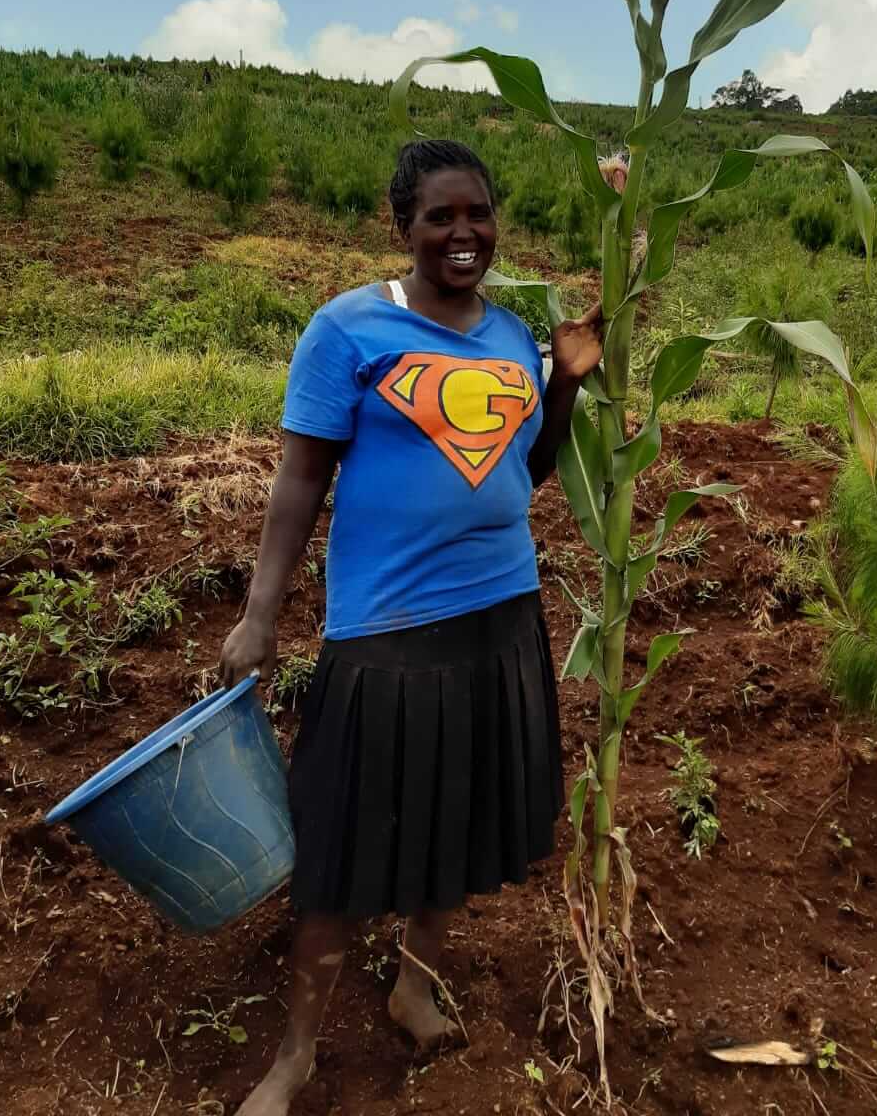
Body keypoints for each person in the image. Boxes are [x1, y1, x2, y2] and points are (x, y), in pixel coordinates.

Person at [219, 138, 603, 1116]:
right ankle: (297, 1053)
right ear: (405, 227)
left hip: (502, 615)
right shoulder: (350, 328)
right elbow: (300, 479)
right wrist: (260, 616)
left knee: (465, 821)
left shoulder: (515, 333)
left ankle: (412, 982)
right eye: (440, 216)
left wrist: (562, 380)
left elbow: (528, 469)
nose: (462, 232)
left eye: (476, 213)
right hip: (386, 628)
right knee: (342, 845)